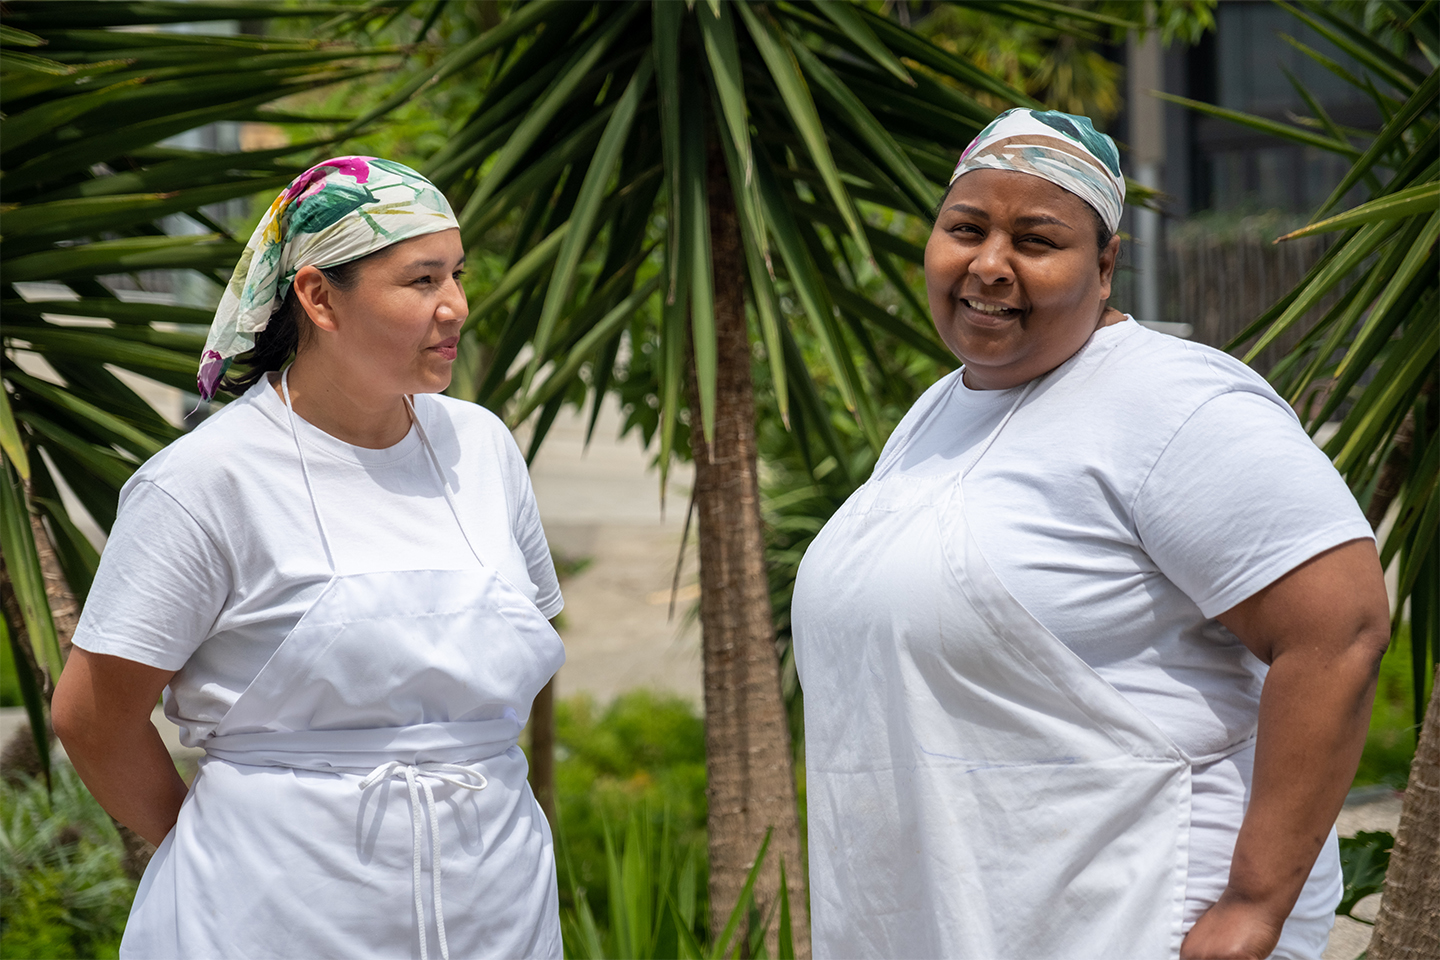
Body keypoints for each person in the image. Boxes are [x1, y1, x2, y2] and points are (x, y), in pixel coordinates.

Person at [791, 109, 1391, 960]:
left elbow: (1341, 629)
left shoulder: (1174, 403)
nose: (989, 265)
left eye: (1036, 240)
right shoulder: (938, 411)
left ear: (1105, 266)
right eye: (966, 229)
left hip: (1133, 918)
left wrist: (1255, 905)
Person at [52, 156, 566, 960]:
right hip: (271, 915)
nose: (456, 307)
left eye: (457, 275)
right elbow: (91, 717)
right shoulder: (207, 481)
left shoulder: (484, 448)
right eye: (422, 280)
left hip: (496, 905)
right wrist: (222, 845)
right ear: (320, 297)